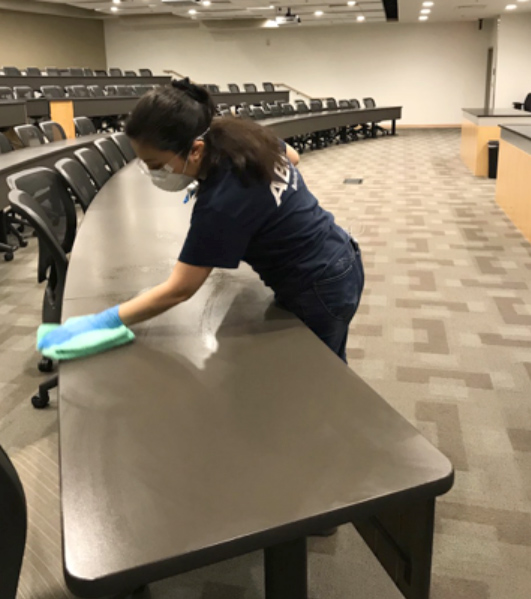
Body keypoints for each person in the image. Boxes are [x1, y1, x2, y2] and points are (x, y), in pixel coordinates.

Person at [38, 79, 365, 365]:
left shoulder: (222, 205)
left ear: (195, 150)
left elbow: (179, 290)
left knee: (319, 377)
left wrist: (104, 321)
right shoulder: (239, 136)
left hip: (321, 283)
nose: (152, 172)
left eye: (155, 164)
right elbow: (291, 156)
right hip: (339, 249)